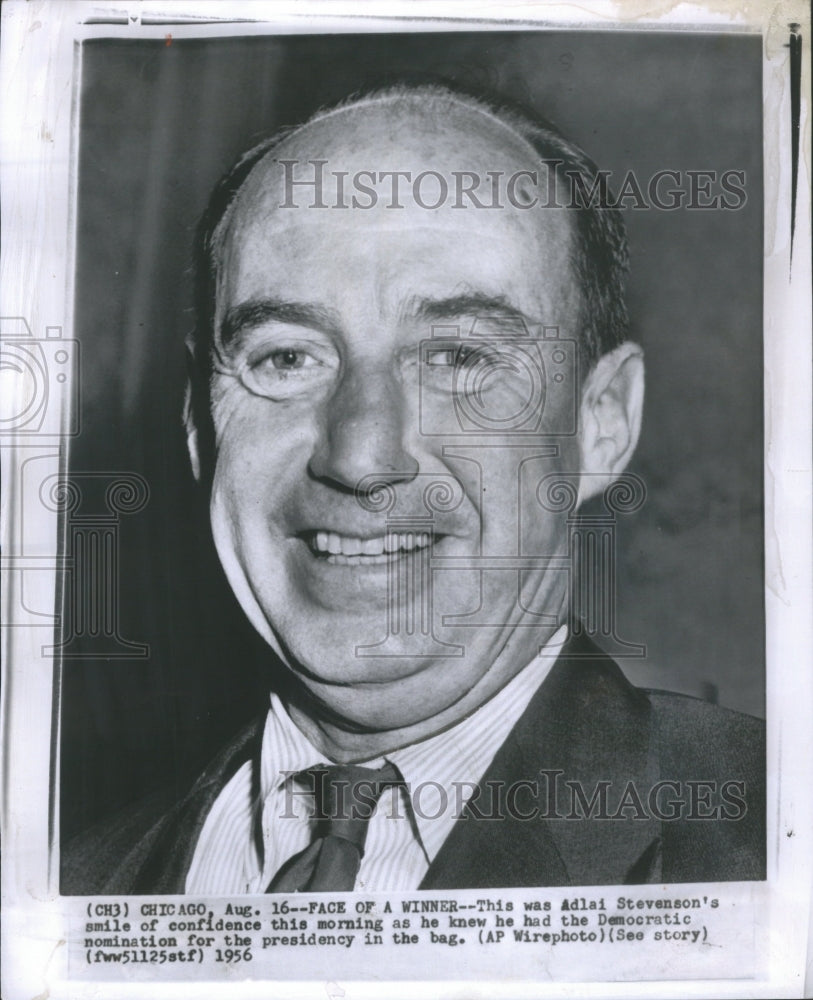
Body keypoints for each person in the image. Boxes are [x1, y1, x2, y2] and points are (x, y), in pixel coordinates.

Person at [62, 83, 764, 894]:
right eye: (286, 358)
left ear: (600, 421)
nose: (360, 457)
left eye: (457, 357)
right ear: (198, 423)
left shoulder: (773, 839)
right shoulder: (71, 892)